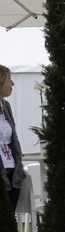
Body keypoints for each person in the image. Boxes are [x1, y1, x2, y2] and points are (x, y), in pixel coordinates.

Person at [0, 65, 25, 213]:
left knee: (8, 220)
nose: (13, 84)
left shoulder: (5, 106)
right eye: (10, 80)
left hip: (12, 174)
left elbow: (12, 137)